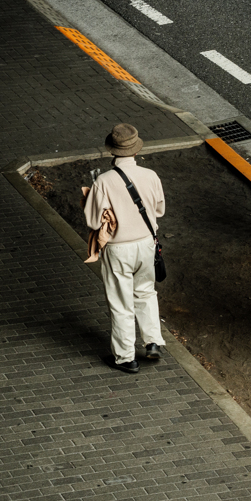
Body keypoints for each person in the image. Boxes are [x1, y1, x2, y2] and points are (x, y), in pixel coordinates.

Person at [84, 123, 166, 374]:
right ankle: (152, 342)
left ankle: (125, 357)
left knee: (121, 303)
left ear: (113, 151)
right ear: (135, 149)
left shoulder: (104, 181)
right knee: (145, 292)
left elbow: (93, 221)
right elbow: (160, 210)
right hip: (146, 244)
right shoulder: (150, 175)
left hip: (118, 249)